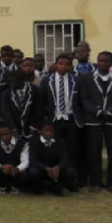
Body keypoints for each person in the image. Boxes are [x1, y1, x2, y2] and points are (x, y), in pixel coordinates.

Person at [78, 51, 112, 194]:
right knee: (93, 152)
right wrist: (97, 111)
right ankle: (95, 182)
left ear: (111, 63)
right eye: (101, 60)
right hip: (94, 120)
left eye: (106, 61)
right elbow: (84, 98)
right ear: (97, 62)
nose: (103, 63)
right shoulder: (87, 78)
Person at [41, 53, 81, 191]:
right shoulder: (47, 80)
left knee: (72, 151)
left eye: (66, 64)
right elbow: (43, 101)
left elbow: (80, 100)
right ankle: (55, 180)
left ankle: (72, 181)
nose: (63, 66)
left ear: (70, 66)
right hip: (55, 120)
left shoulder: (76, 80)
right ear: (56, 64)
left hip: (71, 119)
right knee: (56, 151)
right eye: (60, 63)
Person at [26, 121, 75, 196]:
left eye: (51, 131)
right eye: (46, 130)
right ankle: (40, 186)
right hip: (42, 169)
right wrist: (46, 168)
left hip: (56, 170)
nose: (49, 133)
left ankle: (56, 186)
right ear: (41, 131)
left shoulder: (60, 142)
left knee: (70, 171)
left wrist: (58, 167)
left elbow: (64, 158)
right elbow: (33, 160)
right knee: (33, 172)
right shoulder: (34, 142)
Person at [0, 59, 43, 139]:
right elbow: (6, 112)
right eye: (10, 82)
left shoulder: (35, 90)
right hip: (15, 131)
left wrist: (33, 127)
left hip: (32, 129)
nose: (11, 84)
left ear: (22, 80)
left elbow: (39, 109)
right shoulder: (6, 93)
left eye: (14, 82)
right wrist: (13, 128)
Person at [0, 125, 30, 195]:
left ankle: (15, 186)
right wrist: (2, 167)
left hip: (15, 170)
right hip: (1, 169)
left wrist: (17, 169)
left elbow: (25, 162)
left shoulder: (22, 144)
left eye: (7, 134)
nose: (4, 137)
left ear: (12, 133)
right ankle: (1, 186)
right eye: (1, 135)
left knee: (24, 174)